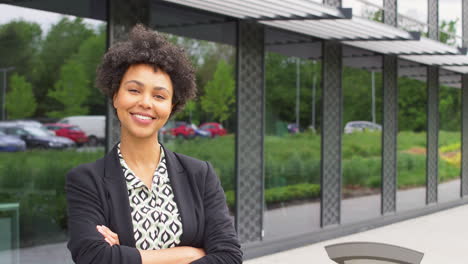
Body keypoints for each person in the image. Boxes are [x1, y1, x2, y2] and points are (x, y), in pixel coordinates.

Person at [65, 24, 242, 264]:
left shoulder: (200, 175)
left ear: (171, 106)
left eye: (159, 96)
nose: (146, 103)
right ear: (116, 96)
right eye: (134, 90)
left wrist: (124, 256)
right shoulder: (87, 180)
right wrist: (189, 254)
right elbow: (94, 257)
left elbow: (229, 257)